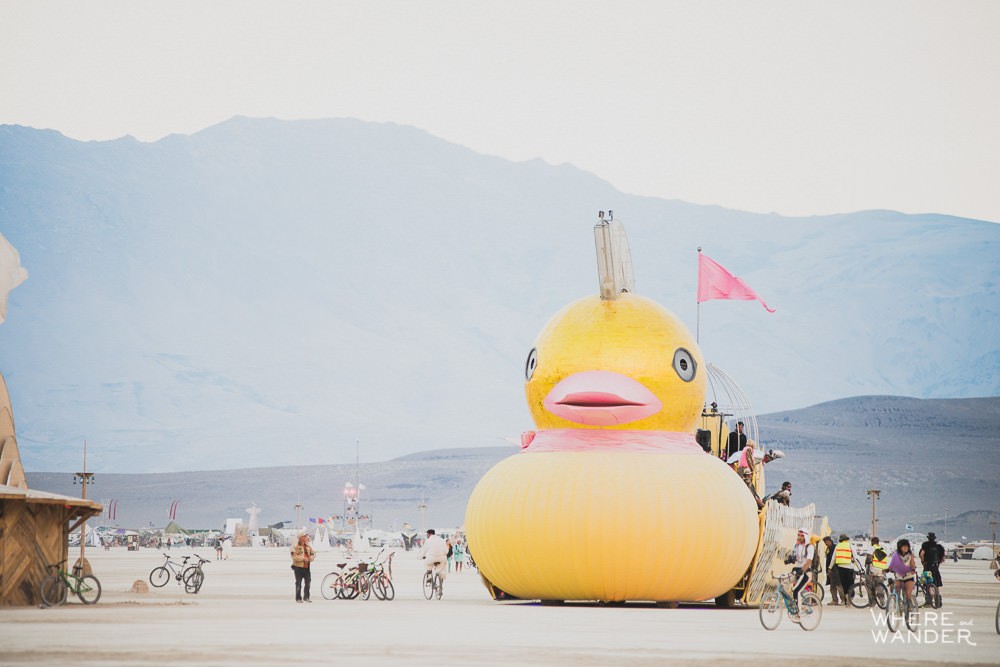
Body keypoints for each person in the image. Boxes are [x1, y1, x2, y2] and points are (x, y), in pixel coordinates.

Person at [788, 527, 815, 615]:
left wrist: (802, 570)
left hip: (805, 573)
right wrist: (789, 560)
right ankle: (797, 604)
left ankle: (797, 613)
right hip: (797, 570)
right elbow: (796, 557)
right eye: (798, 535)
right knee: (784, 580)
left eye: (801, 536)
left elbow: (808, 561)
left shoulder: (809, 547)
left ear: (805, 537)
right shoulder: (797, 546)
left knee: (796, 590)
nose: (799, 537)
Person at [888, 538, 917, 603]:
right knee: (896, 590)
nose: (906, 548)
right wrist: (889, 569)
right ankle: (898, 603)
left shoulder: (910, 555)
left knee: (907, 594)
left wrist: (913, 569)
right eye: (904, 546)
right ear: (900, 547)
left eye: (907, 546)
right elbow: (892, 564)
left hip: (908, 576)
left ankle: (910, 606)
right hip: (899, 576)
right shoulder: (895, 555)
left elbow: (912, 564)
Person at [290, 533, 315, 603]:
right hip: (298, 567)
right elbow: (294, 557)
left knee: (308, 582)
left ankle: (306, 597)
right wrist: (303, 558)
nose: (306, 538)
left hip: (307, 568)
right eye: (305, 536)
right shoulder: (295, 546)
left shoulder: (308, 547)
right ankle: (298, 598)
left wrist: (311, 558)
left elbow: (313, 554)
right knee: (298, 583)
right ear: (301, 538)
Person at [833, 534, 856, 603]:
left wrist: (830, 567)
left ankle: (846, 598)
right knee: (850, 584)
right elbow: (855, 557)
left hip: (841, 568)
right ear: (847, 539)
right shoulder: (850, 546)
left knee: (844, 585)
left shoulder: (838, 546)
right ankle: (850, 598)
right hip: (850, 568)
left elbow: (833, 558)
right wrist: (860, 568)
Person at [822, 535, 843, 605]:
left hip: (836, 570)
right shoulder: (828, 549)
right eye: (825, 542)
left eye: (827, 541)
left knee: (839, 586)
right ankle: (835, 600)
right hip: (831, 570)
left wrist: (830, 568)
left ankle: (843, 600)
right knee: (832, 586)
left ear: (830, 541)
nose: (826, 543)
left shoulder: (835, 548)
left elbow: (834, 560)